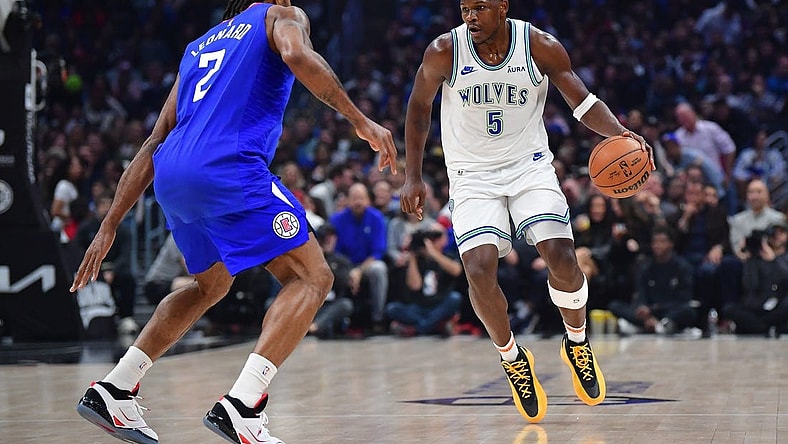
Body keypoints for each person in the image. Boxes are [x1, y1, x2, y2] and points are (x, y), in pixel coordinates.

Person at [70, 2, 397, 443]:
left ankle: (116, 387)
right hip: (228, 170)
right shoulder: (281, 14)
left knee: (211, 285)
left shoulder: (198, 46)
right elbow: (297, 55)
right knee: (312, 277)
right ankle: (243, 404)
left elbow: (154, 139)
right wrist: (361, 121)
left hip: (173, 175)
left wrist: (110, 223)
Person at [400, 0, 653, 423]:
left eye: (480, 7)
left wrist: (621, 133)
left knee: (562, 256)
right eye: (464, 8)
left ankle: (577, 342)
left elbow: (583, 102)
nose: (470, 17)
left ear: (502, 6)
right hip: (471, 175)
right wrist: (413, 175)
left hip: (528, 167)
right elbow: (418, 108)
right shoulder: (444, 50)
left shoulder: (538, 45)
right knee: (478, 269)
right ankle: (512, 357)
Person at [609, 227, 696, 335]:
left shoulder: (683, 268)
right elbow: (641, 293)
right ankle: (654, 325)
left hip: (669, 310)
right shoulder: (645, 268)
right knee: (615, 305)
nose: (658, 245)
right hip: (647, 313)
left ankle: (658, 325)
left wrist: (653, 309)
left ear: (671, 244)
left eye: (662, 242)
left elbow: (683, 299)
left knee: (688, 311)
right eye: (655, 242)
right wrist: (642, 307)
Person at [329, 182, 390, 333]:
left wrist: (359, 271)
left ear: (368, 200)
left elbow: (378, 252)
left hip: (367, 265)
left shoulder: (376, 218)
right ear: (348, 200)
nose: (358, 202)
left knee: (379, 269)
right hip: (343, 265)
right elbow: (334, 252)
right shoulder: (336, 220)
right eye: (354, 198)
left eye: (361, 198)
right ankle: (334, 320)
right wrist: (350, 271)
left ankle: (377, 319)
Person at [385, 222, 463, 336]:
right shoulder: (417, 260)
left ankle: (418, 328)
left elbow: (456, 271)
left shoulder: (448, 256)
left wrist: (433, 253)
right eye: (430, 237)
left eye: (437, 236)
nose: (432, 240)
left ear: (445, 239)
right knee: (392, 308)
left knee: (455, 298)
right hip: (419, 306)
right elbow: (415, 286)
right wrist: (412, 255)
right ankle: (434, 325)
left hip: (440, 303)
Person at [722, 221, 788, 336]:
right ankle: (766, 327)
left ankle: (759, 326)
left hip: (780, 306)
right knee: (728, 309)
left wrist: (773, 261)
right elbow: (750, 284)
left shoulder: (784, 259)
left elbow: (785, 279)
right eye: (774, 232)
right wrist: (750, 259)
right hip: (758, 306)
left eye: (781, 232)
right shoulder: (757, 258)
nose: (776, 236)